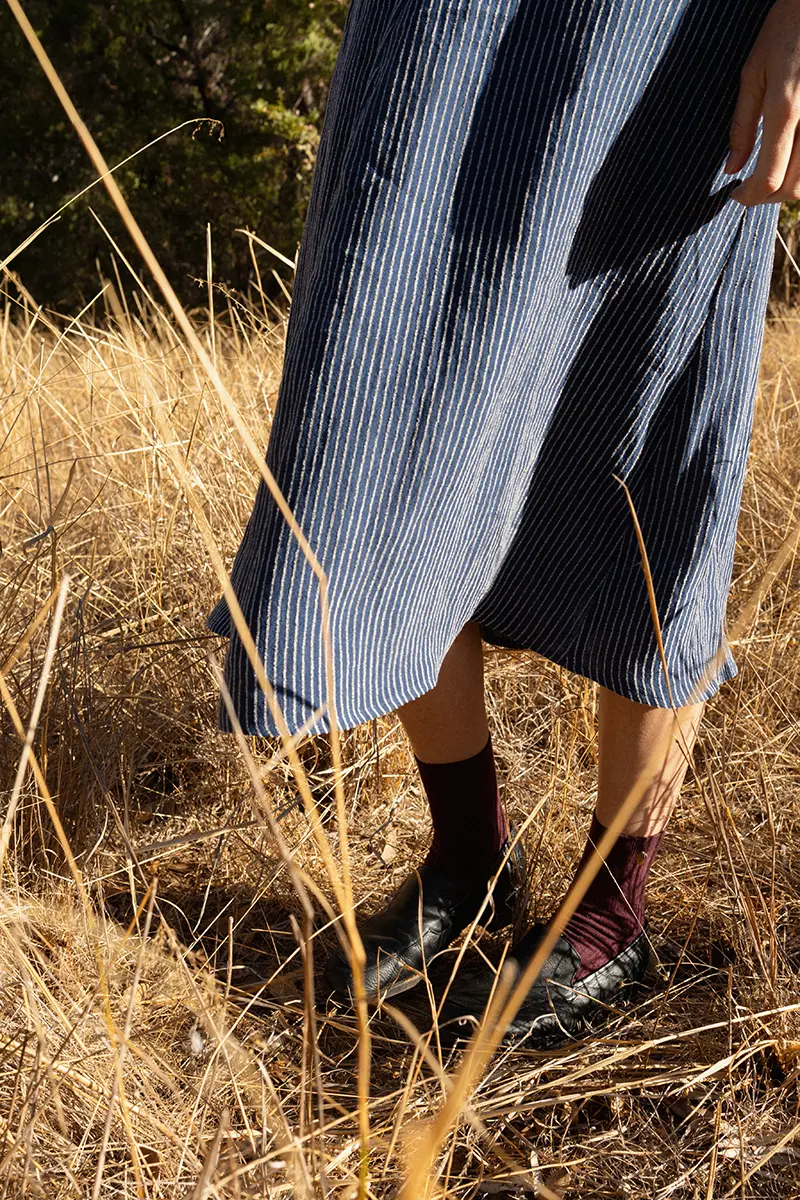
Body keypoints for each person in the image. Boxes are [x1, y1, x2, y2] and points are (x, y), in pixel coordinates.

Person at [208, 0, 800, 1044]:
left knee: (647, 418)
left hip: (677, 30)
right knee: (397, 386)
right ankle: (466, 862)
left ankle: (612, 913)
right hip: (443, 27)